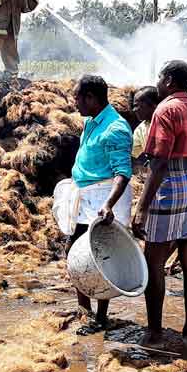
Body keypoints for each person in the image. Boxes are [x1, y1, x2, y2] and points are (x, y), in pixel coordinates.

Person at [132, 60, 187, 347]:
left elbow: (160, 161)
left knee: (153, 260)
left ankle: (155, 331)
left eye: (159, 77)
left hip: (172, 187)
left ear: (168, 80)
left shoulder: (166, 109)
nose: (156, 82)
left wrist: (142, 207)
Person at [68, 75, 133, 328]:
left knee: (99, 257)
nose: (74, 103)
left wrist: (108, 204)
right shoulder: (91, 122)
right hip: (86, 198)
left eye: (77, 97)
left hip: (102, 199)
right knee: (77, 254)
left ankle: (97, 316)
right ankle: (86, 313)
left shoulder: (114, 128)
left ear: (91, 98)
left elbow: (122, 173)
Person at [131, 85, 160, 162]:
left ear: (154, 105)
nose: (134, 110)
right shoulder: (141, 129)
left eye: (137, 105)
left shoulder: (169, 123)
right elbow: (131, 152)